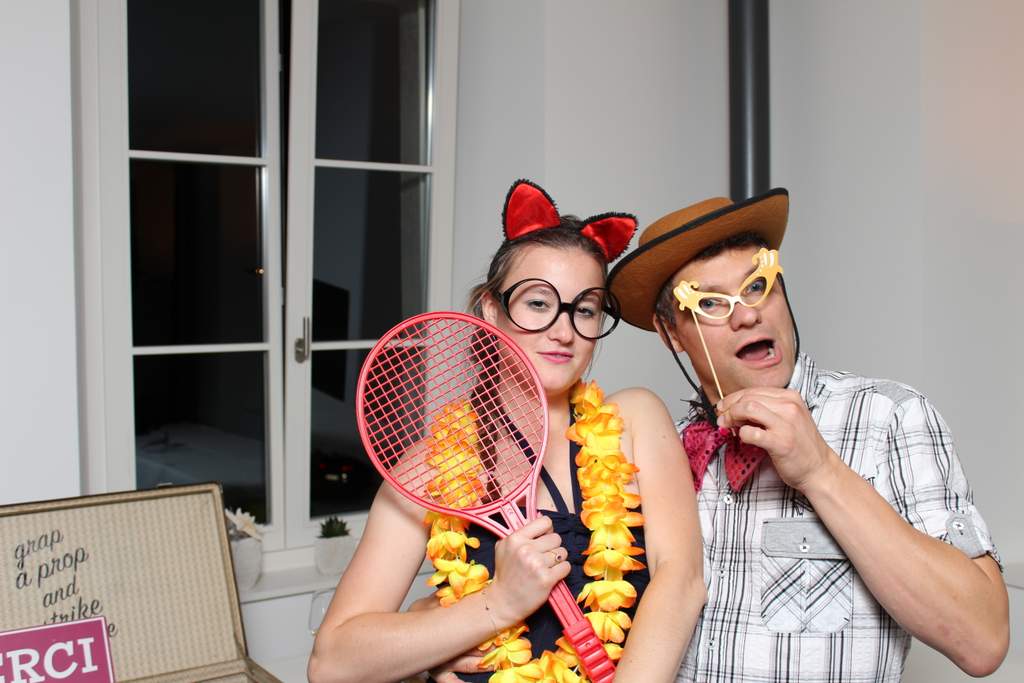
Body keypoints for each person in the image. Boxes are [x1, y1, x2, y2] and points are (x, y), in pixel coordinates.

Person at [308, 179, 706, 683]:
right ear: (492, 310)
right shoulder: (431, 467)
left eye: (585, 309)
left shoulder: (635, 421)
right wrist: (496, 604)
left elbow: (681, 581)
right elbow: (332, 664)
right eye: (538, 303)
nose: (563, 331)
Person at [606, 188, 1009, 682]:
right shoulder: (659, 455)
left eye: (758, 286)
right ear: (671, 334)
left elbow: (983, 640)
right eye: (710, 303)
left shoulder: (888, 417)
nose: (747, 314)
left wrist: (821, 470)